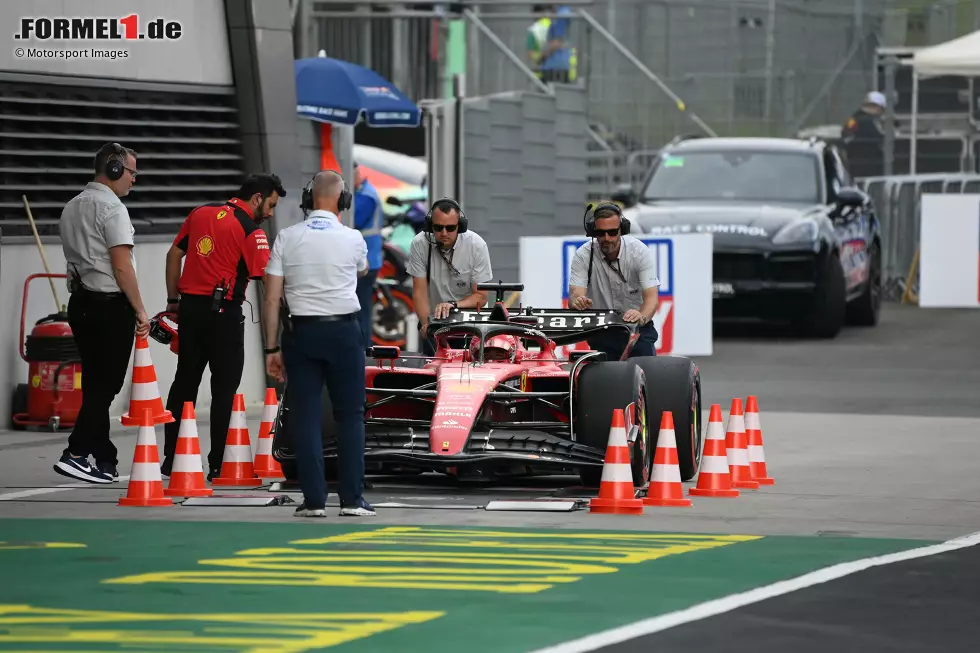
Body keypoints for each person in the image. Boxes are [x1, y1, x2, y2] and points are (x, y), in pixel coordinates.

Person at [262, 169, 376, 518]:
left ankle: (313, 501)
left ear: (309, 199)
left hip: (301, 334)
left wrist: (271, 348)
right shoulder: (353, 238)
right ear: (343, 201)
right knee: (350, 416)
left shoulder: (286, 237)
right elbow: (361, 270)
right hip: (343, 332)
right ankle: (352, 500)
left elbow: (271, 298)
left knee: (307, 416)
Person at [160, 173, 281, 480]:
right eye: (270, 204)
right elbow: (269, 285)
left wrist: (173, 301)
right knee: (224, 390)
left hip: (189, 311)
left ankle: (171, 458)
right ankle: (217, 464)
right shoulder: (252, 232)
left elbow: (174, 254)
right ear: (257, 198)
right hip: (224, 314)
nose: (270, 213)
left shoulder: (200, 213)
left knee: (184, 383)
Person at [56, 142, 148, 484]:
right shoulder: (112, 209)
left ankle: (104, 458)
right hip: (111, 306)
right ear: (113, 169)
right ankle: (76, 452)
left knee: (95, 384)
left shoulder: (71, 206)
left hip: (80, 304)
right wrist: (140, 310)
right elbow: (122, 267)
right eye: (131, 172)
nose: (134, 180)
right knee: (106, 385)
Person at [567, 202, 660, 360]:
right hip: (603, 332)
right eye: (601, 233)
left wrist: (641, 317)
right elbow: (575, 297)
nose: (606, 238)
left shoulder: (640, 252)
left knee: (648, 378)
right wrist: (578, 302)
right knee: (605, 383)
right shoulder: (582, 256)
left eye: (612, 232)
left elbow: (651, 298)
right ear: (593, 232)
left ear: (622, 230)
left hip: (638, 331)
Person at [406, 198, 493, 355]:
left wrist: (453, 305)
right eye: (438, 228)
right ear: (429, 225)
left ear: (460, 226)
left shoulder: (477, 245)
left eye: (450, 228)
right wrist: (426, 324)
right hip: (434, 322)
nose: (444, 233)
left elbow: (481, 296)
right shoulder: (420, 243)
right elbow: (419, 291)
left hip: (470, 324)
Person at [352, 161, 383, 349]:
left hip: (366, 262)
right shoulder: (364, 193)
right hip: (367, 259)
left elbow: (353, 221)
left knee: (361, 310)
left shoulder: (366, 197)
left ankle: (363, 351)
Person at [527, 3, 577, 84]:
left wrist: (541, 56)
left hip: (555, 66)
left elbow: (556, 43)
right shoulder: (563, 14)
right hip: (559, 65)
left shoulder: (561, 16)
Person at [840, 91, 886, 177]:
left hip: (855, 164)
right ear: (878, 108)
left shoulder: (854, 120)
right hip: (868, 165)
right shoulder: (868, 121)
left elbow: (844, 136)